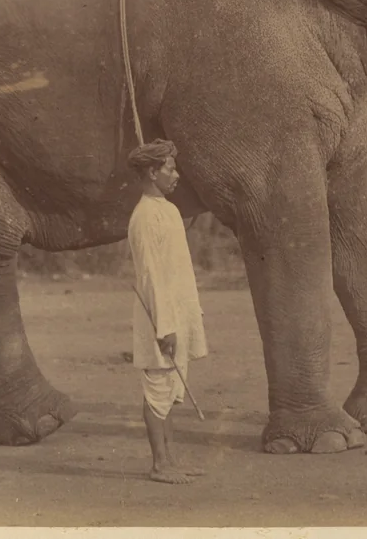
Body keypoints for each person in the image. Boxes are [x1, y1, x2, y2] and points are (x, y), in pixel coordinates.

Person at [126, 138, 208, 484]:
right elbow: (151, 277)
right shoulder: (144, 217)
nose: (176, 174)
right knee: (158, 390)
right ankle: (159, 465)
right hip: (159, 318)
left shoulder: (169, 211)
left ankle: (170, 460)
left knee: (172, 390)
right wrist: (164, 327)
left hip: (177, 314)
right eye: (170, 168)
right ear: (151, 172)